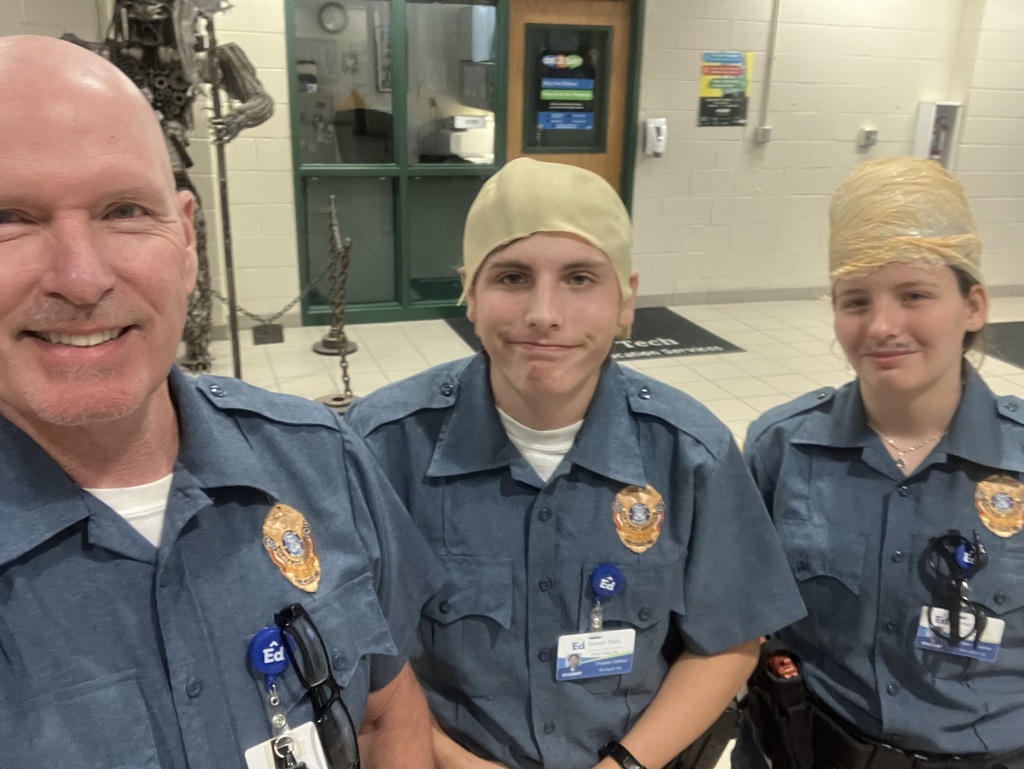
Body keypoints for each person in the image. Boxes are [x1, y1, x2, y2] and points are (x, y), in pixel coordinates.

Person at [0, 36, 441, 768]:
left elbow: (386, 715)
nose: (81, 279)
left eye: (123, 210)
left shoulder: (321, 461)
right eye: (9, 217)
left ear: (187, 235)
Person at [346, 157, 806, 769]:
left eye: (581, 279)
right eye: (511, 277)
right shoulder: (380, 448)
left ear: (626, 300)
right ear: (470, 294)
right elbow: (360, 654)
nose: (544, 312)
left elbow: (729, 640)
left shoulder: (690, 453)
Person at [736, 156, 1024, 769]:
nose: (882, 326)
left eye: (914, 295)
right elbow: (737, 622)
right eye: (856, 300)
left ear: (973, 306)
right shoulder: (782, 449)